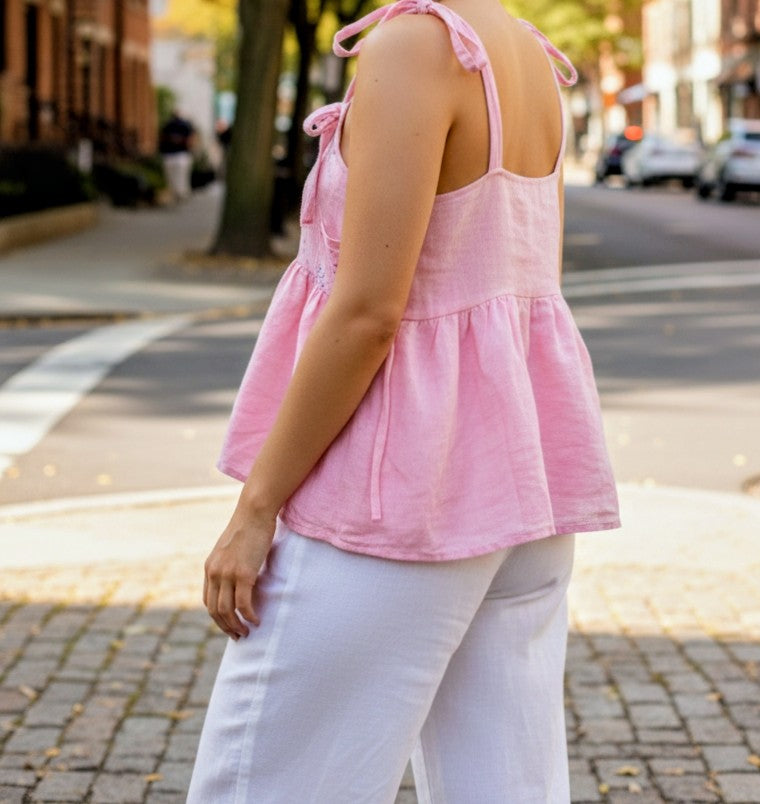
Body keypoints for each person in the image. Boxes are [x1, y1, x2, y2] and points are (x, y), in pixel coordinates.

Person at [187, 0, 620, 800]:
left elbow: (369, 313)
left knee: (264, 784)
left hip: (399, 495)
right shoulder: (528, 56)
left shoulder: (416, 46)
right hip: (516, 498)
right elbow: (524, 287)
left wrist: (256, 509)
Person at [159, 110, 195, 201]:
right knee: (182, 176)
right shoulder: (185, 125)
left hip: (170, 155)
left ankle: (176, 193)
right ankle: (180, 193)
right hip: (181, 155)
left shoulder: (167, 125)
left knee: (171, 177)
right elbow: (190, 139)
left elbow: (162, 138)